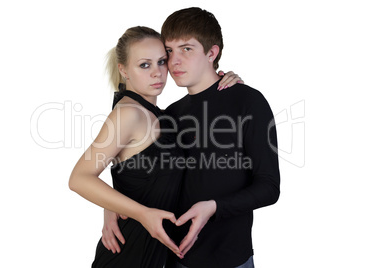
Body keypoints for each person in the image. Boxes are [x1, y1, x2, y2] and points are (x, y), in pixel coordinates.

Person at [103, 7, 280, 268]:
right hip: (174, 258)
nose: (174, 62)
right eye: (169, 52)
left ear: (212, 53)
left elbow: (268, 187)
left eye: (186, 49)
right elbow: (131, 167)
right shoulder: (169, 116)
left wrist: (214, 207)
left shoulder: (247, 101)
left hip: (231, 259)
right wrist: (109, 208)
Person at [69, 26, 241, 268]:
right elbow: (79, 178)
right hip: (127, 254)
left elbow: (130, 173)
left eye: (162, 61)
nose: (158, 73)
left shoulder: (161, 116)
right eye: (144, 65)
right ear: (123, 69)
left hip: (157, 256)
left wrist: (223, 85)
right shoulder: (128, 114)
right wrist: (141, 214)